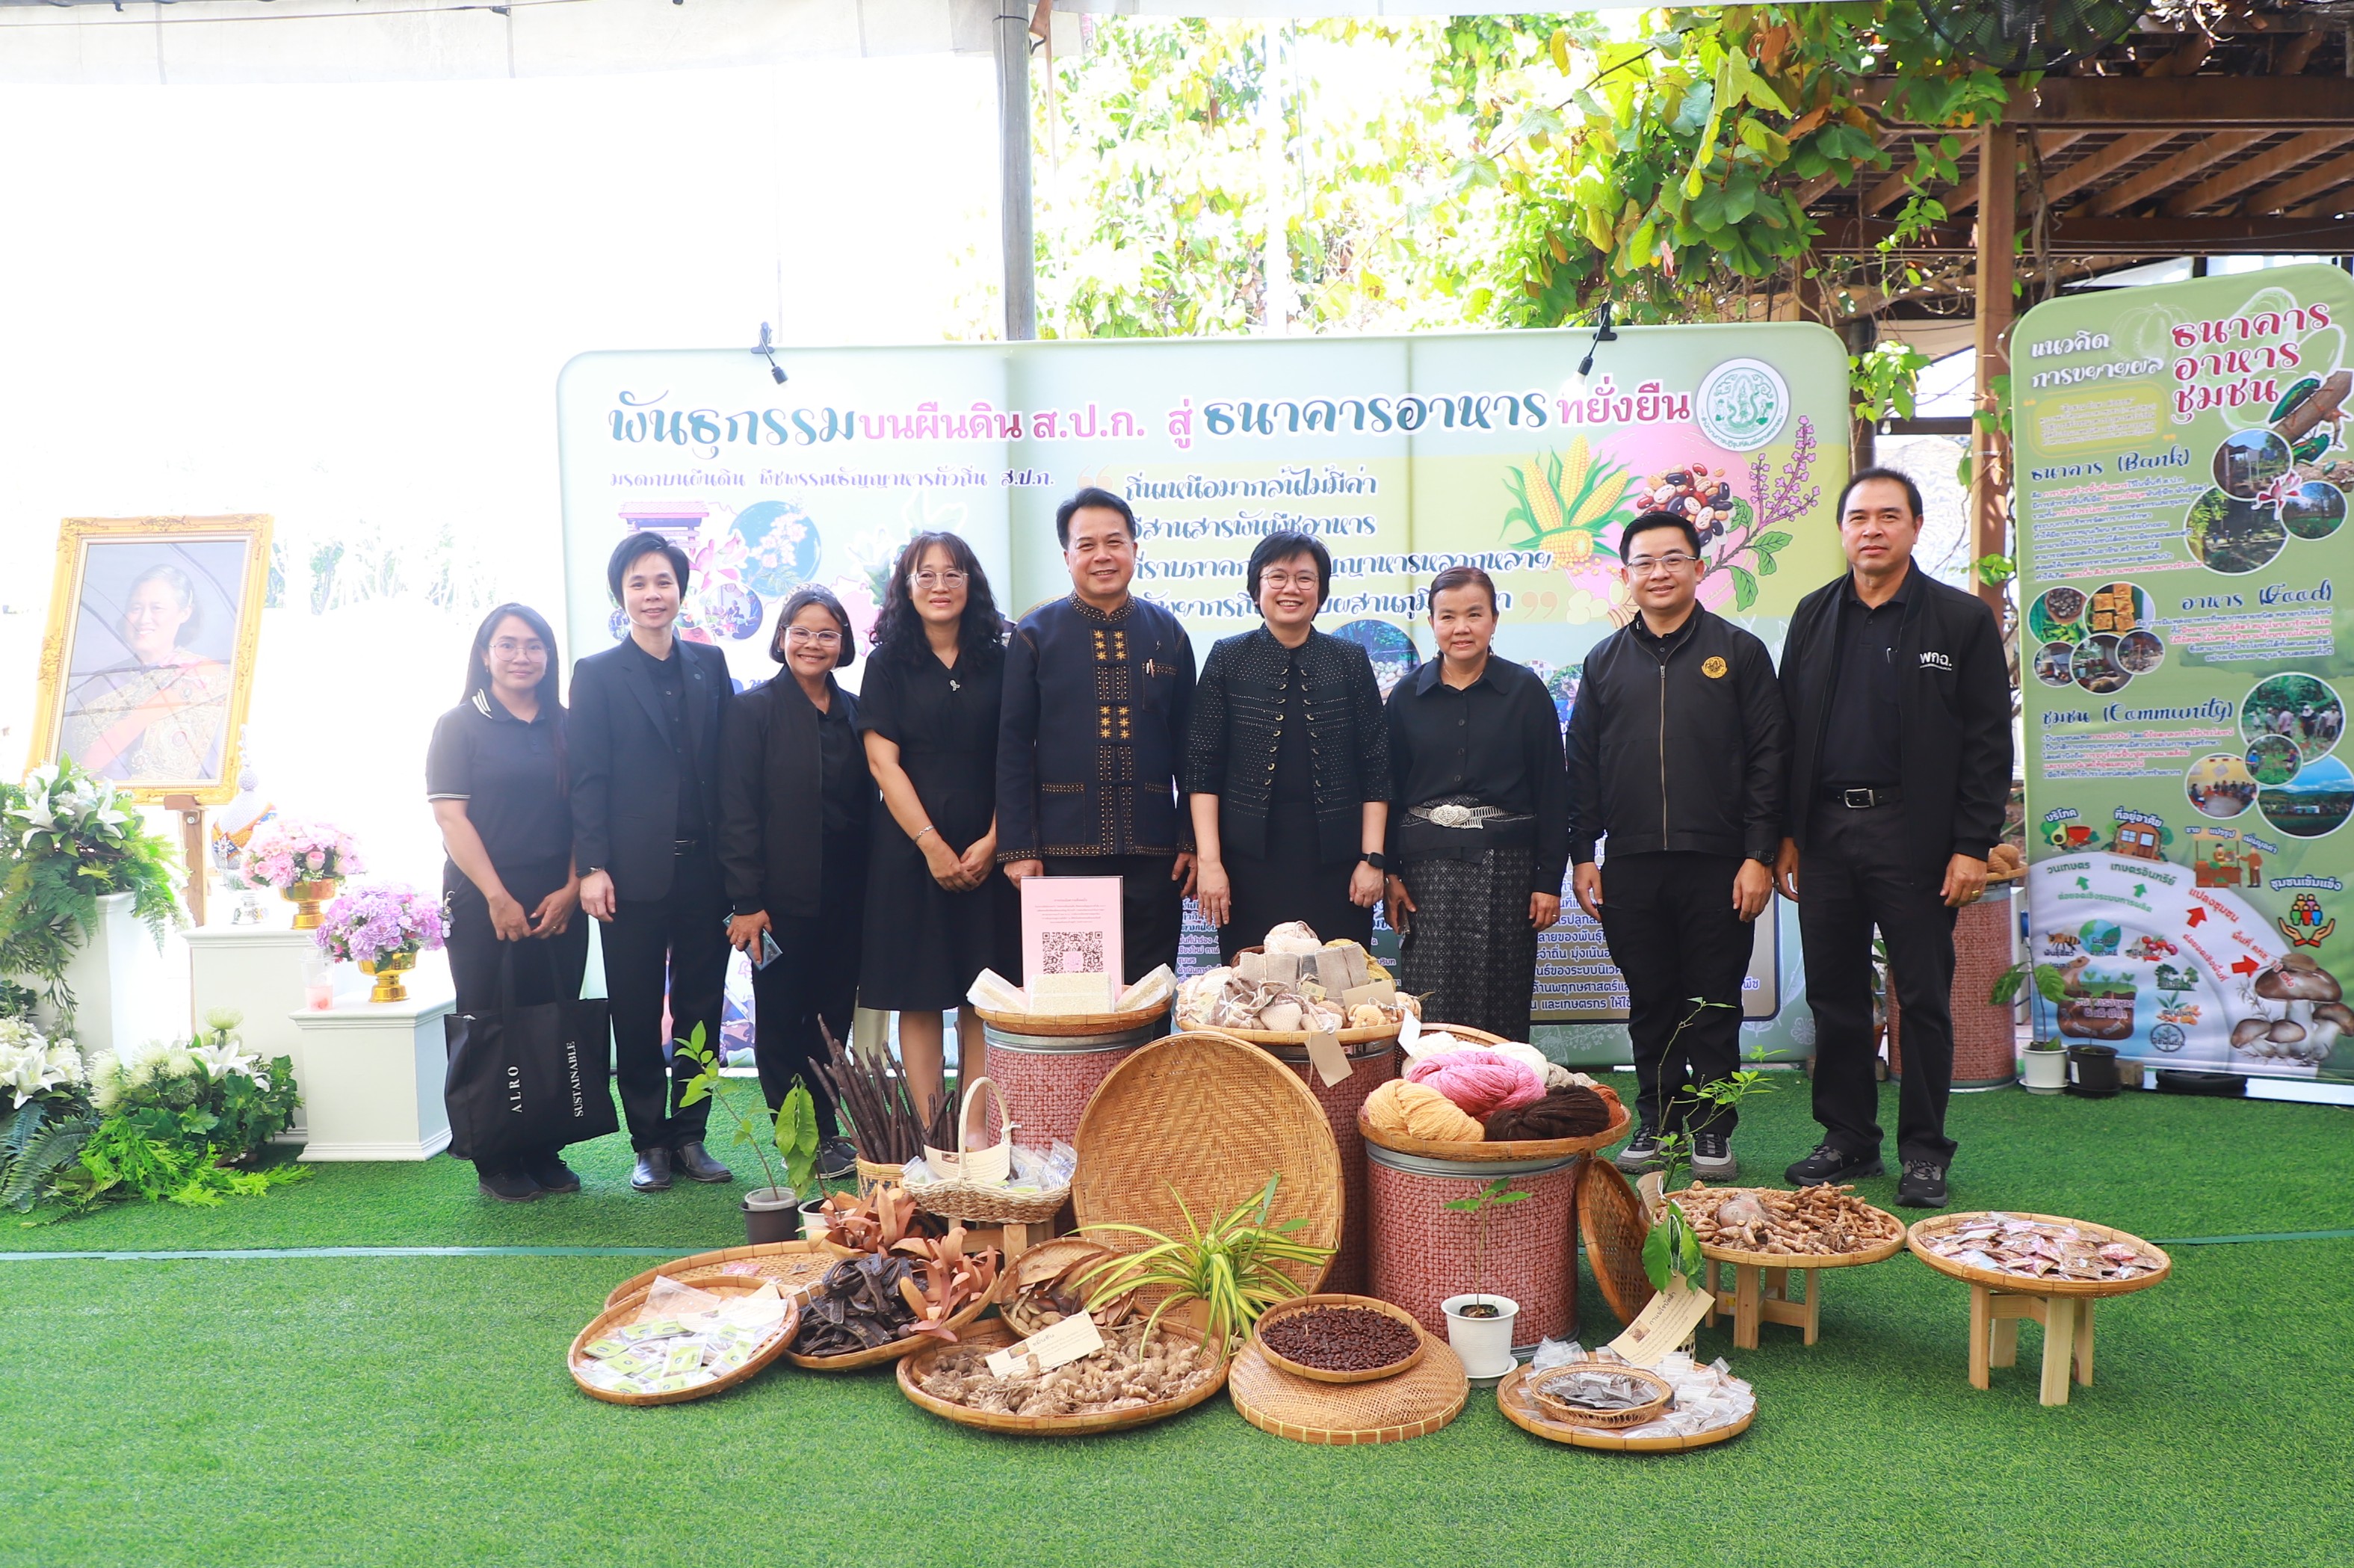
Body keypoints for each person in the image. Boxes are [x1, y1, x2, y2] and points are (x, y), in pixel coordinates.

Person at [1774, 469, 2012, 1210]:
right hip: (1825, 833)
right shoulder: (1814, 615)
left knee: (1923, 996)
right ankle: (1848, 1136)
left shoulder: (1959, 620)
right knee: (1836, 994)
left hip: (1916, 834)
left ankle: (1925, 1151)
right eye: (1858, 517)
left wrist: (1972, 844)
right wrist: (1788, 834)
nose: (1871, 529)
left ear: (1914, 527)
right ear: (1843, 530)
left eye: (1888, 516)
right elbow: (1787, 732)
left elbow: (1987, 742)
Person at [1564, 513, 1789, 1183]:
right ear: (1626, 575)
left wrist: (1758, 855)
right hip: (1631, 863)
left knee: (1714, 1001)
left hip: (1721, 862)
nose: (1658, 573)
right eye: (1644, 562)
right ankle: (1658, 1119)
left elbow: (1769, 759)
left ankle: (1713, 1126)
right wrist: (1583, 853)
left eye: (1672, 559)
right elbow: (1583, 765)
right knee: (1652, 1000)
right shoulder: (1604, 661)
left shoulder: (1739, 652)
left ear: (1698, 567)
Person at [569, 531, 735, 1195]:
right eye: (638, 583)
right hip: (629, 875)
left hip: (705, 871)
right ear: (621, 595)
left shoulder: (710, 664)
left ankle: (691, 1134)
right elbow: (587, 776)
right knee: (635, 1011)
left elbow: (727, 768)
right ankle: (649, 1143)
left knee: (702, 1007)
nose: (652, 594)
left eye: (663, 581)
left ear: (681, 590)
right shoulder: (597, 673)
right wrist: (592, 866)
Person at [998, 488, 1197, 984]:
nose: (1102, 556)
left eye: (1115, 542)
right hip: (1062, 855)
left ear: (1135, 549)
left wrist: (1190, 838)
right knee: (1072, 997)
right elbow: (1013, 749)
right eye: (1086, 545)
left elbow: (1190, 749)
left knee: (1149, 993)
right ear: (1067, 557)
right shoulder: (1034, 634)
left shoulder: (1168, 633)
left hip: (1155, 856)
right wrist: (1020, 848)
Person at [426, 602, 587, 1203]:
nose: (523, 657)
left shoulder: (568, 725)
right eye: (508, 645)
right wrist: (497, 896)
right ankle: (494, 1156)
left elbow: (588, 813)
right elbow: (452, 818)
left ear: (549, 655)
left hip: (558, 899)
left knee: (550, 1019)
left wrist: (571, 888)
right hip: (481, 899)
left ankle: (543, 1147)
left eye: (534, 645)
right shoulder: (459, 725)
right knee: (490, 1021)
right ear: (485, 654)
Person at [856, 532, 1016, 1123]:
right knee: (918, 994)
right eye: (926, 574)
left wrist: (996, 840)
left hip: (990, 844)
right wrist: (931, 845)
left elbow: (1018, 755)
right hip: (909, 847)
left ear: (972, 584)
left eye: (953, 573)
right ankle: (930, 1134)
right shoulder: (887, 663)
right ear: (907, 586)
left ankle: (975, 1132)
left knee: (983, 993)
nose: (940, 586)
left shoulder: (1003, 658)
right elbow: (883, 763)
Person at [720, 586, 870, 1176]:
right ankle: (798, 1139)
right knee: (783, 1020)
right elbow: (735, 810)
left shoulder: (856, 711)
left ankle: (828, 1130)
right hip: (777, 903)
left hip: (848, 897)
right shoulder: (751, 711)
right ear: (782, 637)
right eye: (801, 631)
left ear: (843, 643)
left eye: (826, 633)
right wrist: (746, 900)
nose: (813, 643)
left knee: (832, 1020)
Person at [1383, 565, 1569, 1040]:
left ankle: (1503, 1087)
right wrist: (1390, 873)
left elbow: (1552, 790)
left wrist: (1548, 880)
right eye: (1447, 616)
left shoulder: (1525, 691)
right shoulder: (1406, 696)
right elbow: (1388, 791)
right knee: (1431, 1002)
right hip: (1426, 873)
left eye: (1474, 614)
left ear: (1494, 620)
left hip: (1507, 867)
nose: (1460, 627)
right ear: (1432, 623)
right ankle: (1432, 1087)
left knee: (1500, 996)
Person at [1187, 530, 1390, 961]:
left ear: (1321, 591)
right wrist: (1210, 862)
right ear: (1256, 588)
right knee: (1253, 983)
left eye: (1305, 578)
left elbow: (1376, 765)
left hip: (1338, 868)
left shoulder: (1349, 660)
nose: (1291, 589)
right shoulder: (1228, 657)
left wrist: (1372, 860)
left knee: (1338, 984)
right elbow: (1202, 768)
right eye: (1277, 577)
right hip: (1247, 866)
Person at [62, 561, 231, 783]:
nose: (143, 619)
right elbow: (67, 764)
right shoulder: (100, 683)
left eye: (157, 608)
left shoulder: (207, 678)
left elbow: (217, 773)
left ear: (185, 613)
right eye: (136, 608)